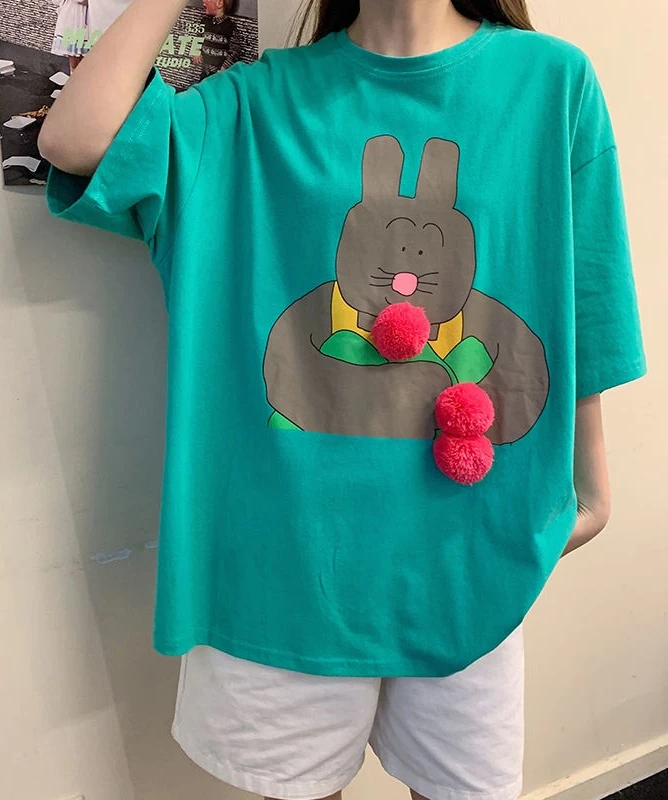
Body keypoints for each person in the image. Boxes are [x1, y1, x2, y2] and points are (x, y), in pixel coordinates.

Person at [39, 0, 647, 798]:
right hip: (286, 561)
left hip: (466, 556)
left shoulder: (550, 82)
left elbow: (586, 288)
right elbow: (77, 139)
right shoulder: (257, 103)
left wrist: (591, 491)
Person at [192, 0, 244, 78]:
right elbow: (198, 38)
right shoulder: (204, 22)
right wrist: (196, 51)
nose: (203, 1)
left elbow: (235, 50)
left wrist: (224, 68)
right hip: (205, 70)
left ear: (219, 3)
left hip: (219, 73)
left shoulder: (229, 27)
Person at [50, 0, 91, 74]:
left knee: (88, 62)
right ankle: (75, 79)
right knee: (74, 62)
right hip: (70, 18)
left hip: (90, 19)